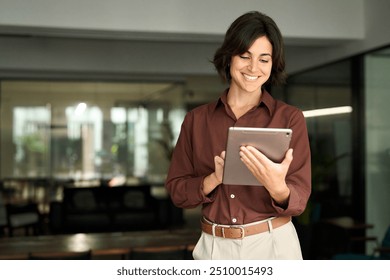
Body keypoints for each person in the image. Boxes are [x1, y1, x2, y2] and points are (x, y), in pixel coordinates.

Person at [165, 11, 311, 260]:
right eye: (245, 56)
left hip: (273, 245)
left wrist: (278, 189)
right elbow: (177, 192)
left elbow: (299, 199)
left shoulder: (290, 118)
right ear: (229, 57)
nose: (254, 67)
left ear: (273, 64)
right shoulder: (196, 120)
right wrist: (213, 179)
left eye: (264, 59)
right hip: (214, 247)